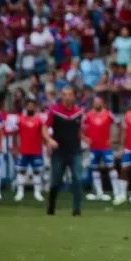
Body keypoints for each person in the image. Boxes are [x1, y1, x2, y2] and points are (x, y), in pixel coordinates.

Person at [45, 86, 84, 216]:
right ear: (61, 96)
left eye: (69, 94)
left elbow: (80, 130)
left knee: (77, 179)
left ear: (74, 96)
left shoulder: (79, 112)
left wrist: (85, 139)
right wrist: (49, 140)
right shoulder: (54, 111)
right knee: (56, 181)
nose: (67, 97)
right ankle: (51, 207)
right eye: (64, 94)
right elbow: (44, 128)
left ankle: (77, 209)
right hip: (59, 151)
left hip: (75, 150)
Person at [83, 96, 119, 201]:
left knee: (111, 167)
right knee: (95, 168)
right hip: (93, 147)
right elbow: (79, 128)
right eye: (95, 102)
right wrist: (85, 138)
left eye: (99, 102)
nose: (97, 104)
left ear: (102, 103)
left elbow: (120, 125)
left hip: (106, 147)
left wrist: (113, 138)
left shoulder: (108, 114)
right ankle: (99, 193)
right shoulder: (88, 115)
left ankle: (117, 193)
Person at [14, 98, 47, 203]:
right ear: (26, 107)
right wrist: (15, 147)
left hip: (36, 150)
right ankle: (20, 192)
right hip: (23, 150)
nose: (30, 107)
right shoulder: (20, 119)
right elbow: (16, 135)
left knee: (37, 172)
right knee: (21, 171)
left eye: (32, 106)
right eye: (28, 106)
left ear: (35, 107)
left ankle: (37, 193)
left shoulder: (40, 120)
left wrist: (47, 146)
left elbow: (44, 134)